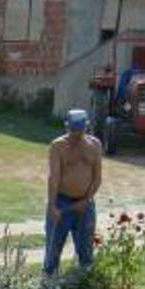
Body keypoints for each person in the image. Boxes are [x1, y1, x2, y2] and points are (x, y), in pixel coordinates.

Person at [44, 109, 102, 276]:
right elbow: (54, 177)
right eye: (73, 129)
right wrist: (52, 205)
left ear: (86, 127)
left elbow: (97, 178)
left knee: (86, 253)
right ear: (67, 127)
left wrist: (86, 200)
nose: (76, 134)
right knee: (53, 251)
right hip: (61, 203)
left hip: (85, 205)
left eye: (80, 130)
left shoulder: (95, 145)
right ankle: (48, 282)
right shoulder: (58, 146)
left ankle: (84, 284)